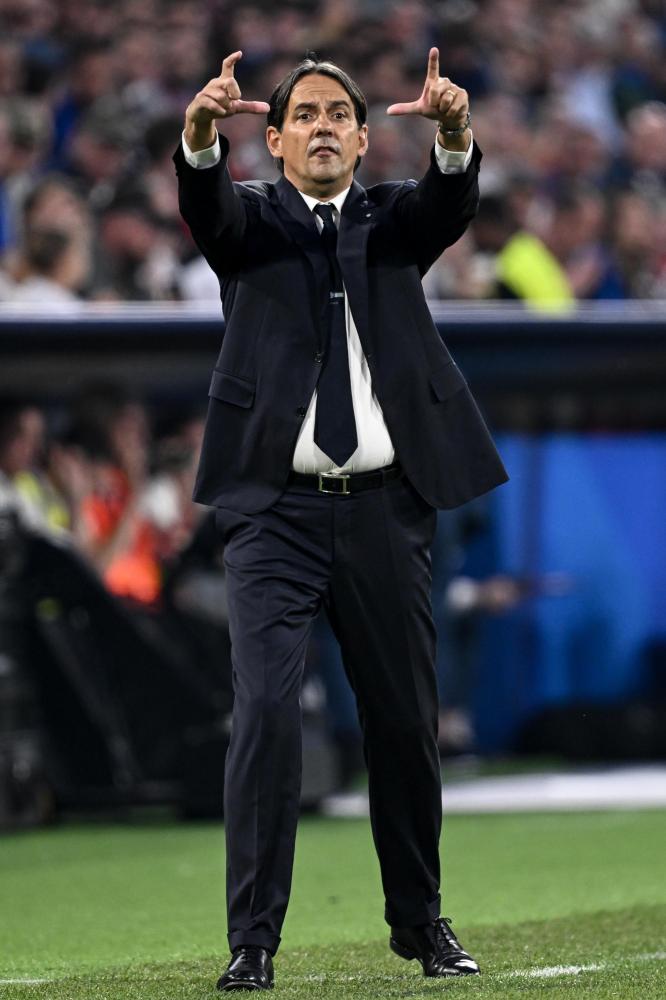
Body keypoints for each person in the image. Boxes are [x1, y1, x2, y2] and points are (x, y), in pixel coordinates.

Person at [174, 47, 508, 992]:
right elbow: (208, 208)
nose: (322, 127)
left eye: (338, 115)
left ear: (364, 139)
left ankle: (421, 923)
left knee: (403, 722)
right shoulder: (250, 222)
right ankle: (253, 942)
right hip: (273, 514)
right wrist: (198, 138)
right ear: (274, 141)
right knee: (266, 714)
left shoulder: (394, 220)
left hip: (385, 510)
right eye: (305, 115)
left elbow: (448, 202)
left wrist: (455, 133)